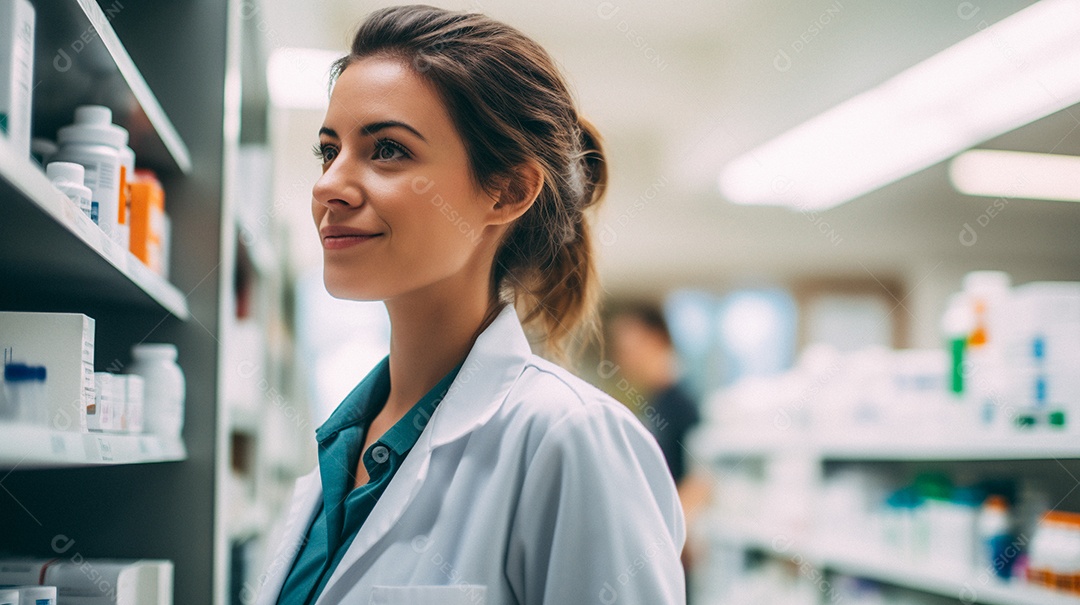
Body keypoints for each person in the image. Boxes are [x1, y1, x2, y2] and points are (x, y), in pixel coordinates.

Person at [254, 5, 685, 605]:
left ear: (507, 192)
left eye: (387, 151)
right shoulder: (333, 463)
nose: (329, 185)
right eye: (329, 151)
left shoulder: (568, 439)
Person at [607, 303, 711, 593]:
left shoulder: (680, 405)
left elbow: (701, 479)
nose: (624, 359)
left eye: (630, 347)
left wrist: (667, 537)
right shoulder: (655, 403)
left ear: (658, 339)